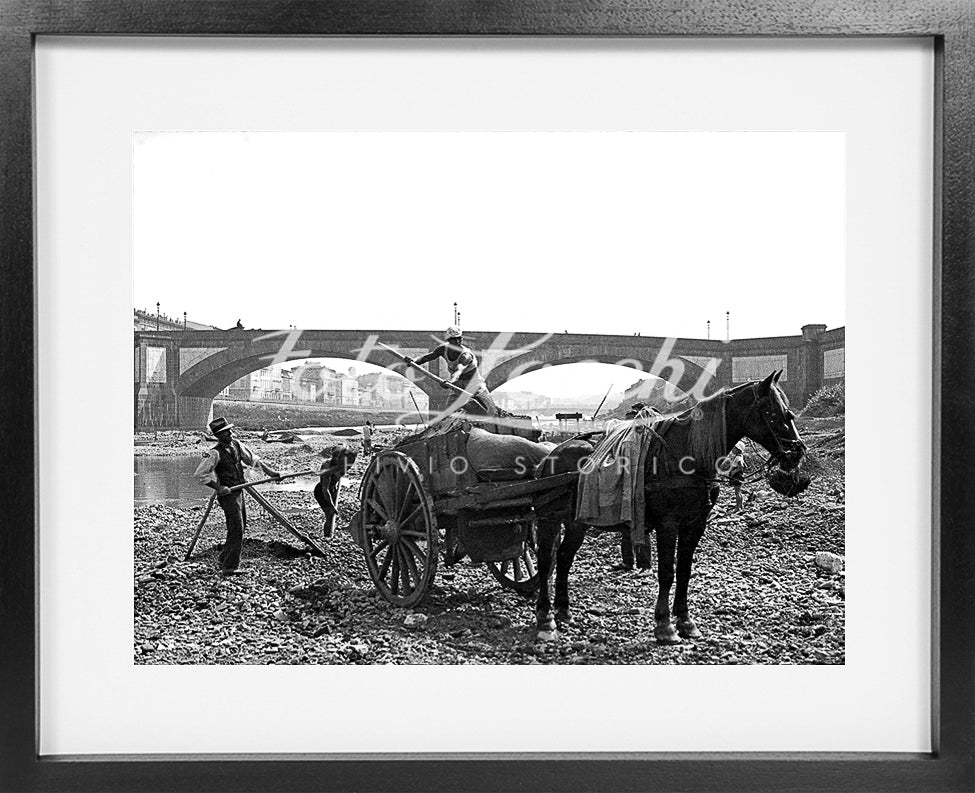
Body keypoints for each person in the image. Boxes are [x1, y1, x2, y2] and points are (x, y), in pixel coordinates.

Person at [194, 416, 281, 575]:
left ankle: (223, 558)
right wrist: (219, 488)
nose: (231, 434)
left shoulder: (237, 445)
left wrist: (271, 473)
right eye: (227, 433)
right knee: (237, 528)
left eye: (230, 431)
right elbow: (200, 475)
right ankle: (230, 567)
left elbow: (254, 461)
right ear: (219, 436)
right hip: (228, 495)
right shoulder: (214, 453)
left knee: (241, 525)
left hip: (239, 490)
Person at [406, 325, 498, 416]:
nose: (457, 342)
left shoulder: (466, 355)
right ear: (449, 341)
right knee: (449, 413)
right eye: (453, 340)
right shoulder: (442, 349)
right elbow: (426, 358)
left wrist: (450, 382)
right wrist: (413, 361)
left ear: (461, 339)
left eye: (459, 339)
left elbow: (458, 372)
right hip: (457, 385)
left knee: (487, 411)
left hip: (474, 384)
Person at [728, 444, 746, 511]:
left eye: (734, 448)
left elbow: (741, 466)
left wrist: (733, 472)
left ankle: (737, 507)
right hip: (739, 476)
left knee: (737, 492)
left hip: (737, 476)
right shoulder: (740, 456)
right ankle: (740, 506)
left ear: (738, 450)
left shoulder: (738, 457)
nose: (732, 449)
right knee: (739, 492)